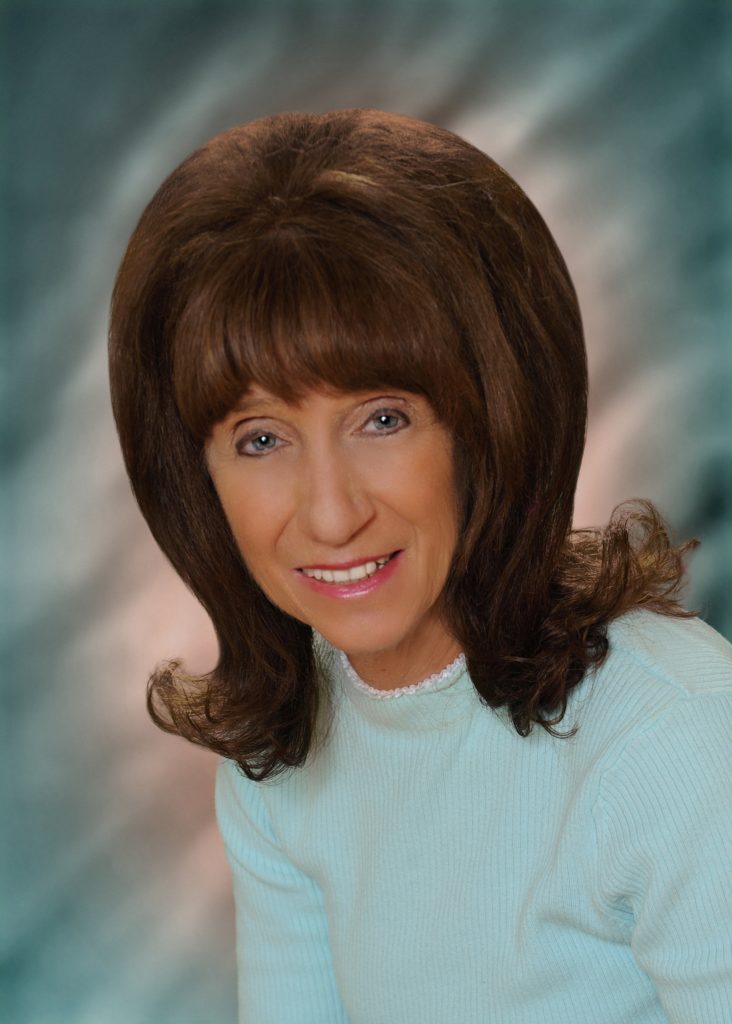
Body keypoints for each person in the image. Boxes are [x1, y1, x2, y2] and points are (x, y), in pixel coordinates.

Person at [108, 109, 732, 1023]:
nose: (331, 514)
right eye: (261, 438)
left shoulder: (677, 739)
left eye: (383, 419)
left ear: (495, 416)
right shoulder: (283, 751)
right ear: (195, 475)